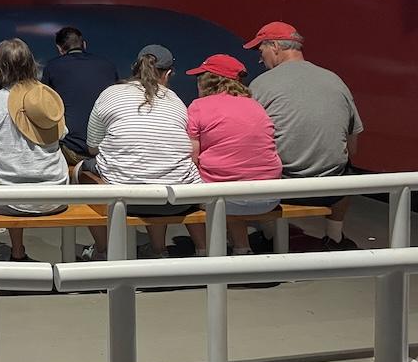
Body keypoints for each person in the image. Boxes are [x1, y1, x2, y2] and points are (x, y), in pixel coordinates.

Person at [245, 21, 363, 250]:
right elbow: (353, 146)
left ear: (276, 46)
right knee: (346, 164)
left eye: (262, 51)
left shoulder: (260, 85)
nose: (260, 59)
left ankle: (270, 237)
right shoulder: (334, 80)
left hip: (281, 188)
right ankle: (335, 237)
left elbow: (248, 141)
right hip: (331, 188)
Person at [82, 45, 206, 259]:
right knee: (160, 171)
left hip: (125, 197)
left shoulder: (110, 93)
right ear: (167, 74)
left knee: (82, 171)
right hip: (177, 200)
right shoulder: (175, 100)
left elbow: (93, 146)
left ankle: (103, 250)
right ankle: (162, 250)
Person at [0, 39, 69, 262]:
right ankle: (18, 252)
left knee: (1, 176)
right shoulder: (47, 99)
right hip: (55, 195)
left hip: (5, 200)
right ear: (31, 64)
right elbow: (61, 135)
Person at [185, 54, 284, 254]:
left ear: (207, 81)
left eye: (199, 78)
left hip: (225, 199)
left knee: (186, 188)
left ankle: (204, 250)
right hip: (268, 197)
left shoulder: (198, 107)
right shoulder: (256, 106)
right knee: (231, 181)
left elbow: (191, 158)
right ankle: (242, 247)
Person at [41, 26, 118, 166]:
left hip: (72, 151)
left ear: (59, 48)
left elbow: (45, 109)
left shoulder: (52, 67)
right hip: (107, 151)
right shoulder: (108, 66)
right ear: (84, 44)